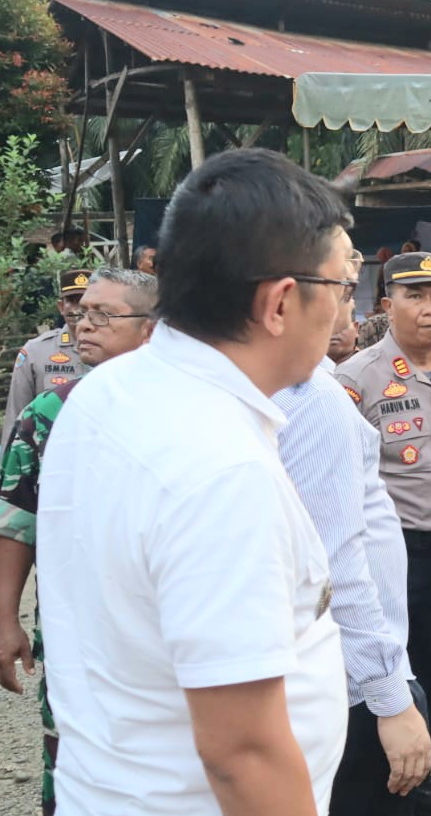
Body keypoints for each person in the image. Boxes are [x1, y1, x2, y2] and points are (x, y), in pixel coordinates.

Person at [35, 149, 352, 816]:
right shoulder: (221, 470)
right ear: (281, 303)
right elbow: (241, 755)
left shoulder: (105, 395)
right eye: (342, 284)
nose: (344, 309)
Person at [0, 268, 157, 816]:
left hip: (163, 630)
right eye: (80, 313)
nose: (82, 325)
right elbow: (17, 520)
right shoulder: (49, 415)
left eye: (102, 315)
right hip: (77, 630)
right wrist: (4, 618)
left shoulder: (188, 411)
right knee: (70, 758)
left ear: (151, 329)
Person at [336, 252, 431, 816]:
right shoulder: (356, 379)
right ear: (386, 302)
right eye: (415, 295)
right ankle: (389, 784)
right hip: (393, 558)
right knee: (394, 671)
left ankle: (423, 768)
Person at [2, 268, 91, 441]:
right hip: (47, 452)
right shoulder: (36, 351)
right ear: (60, 307)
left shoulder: (114, 349)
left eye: (83, 301)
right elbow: (16, 414)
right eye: (71, 301)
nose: (77, 309)